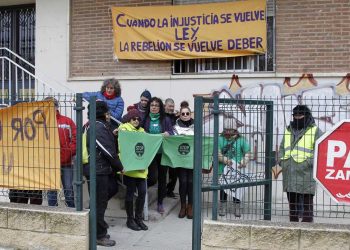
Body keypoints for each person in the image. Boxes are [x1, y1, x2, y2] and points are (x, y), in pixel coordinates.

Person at [84, 101, 124, 247]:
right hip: (97, 170)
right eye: (107, 113)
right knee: (100, 203)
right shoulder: (97, 127)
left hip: (100, 169)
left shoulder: (97, 126)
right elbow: (107, 150)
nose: (109, 116)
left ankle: (93, 217)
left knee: (110, 190)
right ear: (102, 114)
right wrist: (120, 166)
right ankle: (99, 235)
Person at [278, 105, 322, 223]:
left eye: (300, 115)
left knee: (307, 203)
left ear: (307, 116)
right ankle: (293, 226)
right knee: (292, 202)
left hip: (306, 172)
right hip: (290, 170)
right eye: (295, 115)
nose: (297, 118)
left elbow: (320, 149)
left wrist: (307, 163)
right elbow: (282, 147)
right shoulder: (288, 129)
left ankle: (307, 227)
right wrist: (282, 161)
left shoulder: (315, 131)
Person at [118, 109, 148, 231]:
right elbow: (126, 139)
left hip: (141, 169)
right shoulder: (124, 128)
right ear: (129, 119)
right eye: (133, 118)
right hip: (129, 168)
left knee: (142, 193)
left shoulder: (142, 131)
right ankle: (130, 219)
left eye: (138, 119)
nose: (136, 121)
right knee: (130, 194)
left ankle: (138, 219)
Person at [143, 97, 174, 214]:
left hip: (162, 152)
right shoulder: (145, 119)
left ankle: (160, 202)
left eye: (156, 105)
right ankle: (142, 195)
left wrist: (168, 133)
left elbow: (171, 132)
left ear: (160, 107)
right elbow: (139, 130)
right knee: (151, 178)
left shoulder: (165, 119)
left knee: (162, 179)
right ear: (149, 107)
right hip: (149, 153)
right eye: (152, 105)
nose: (154, 107)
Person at [45, 97, 76, 208]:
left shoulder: (67, 121)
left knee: (68, 188)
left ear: (56, 107)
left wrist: (69, 152)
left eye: (50, 106)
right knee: (51, 190)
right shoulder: (41, 122)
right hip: (50, 163)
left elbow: (75, 138)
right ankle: (52, 212)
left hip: (66, 162)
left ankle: (72, 211)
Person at [218, 119, 251, 218]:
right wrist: (225, 160)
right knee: (223, 189)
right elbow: (217, 153)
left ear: (235, 129)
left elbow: (247, 152)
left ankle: (237, 208)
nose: (228, 132)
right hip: (223, 168)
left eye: (230, 129)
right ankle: (222, 207)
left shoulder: (241, 140)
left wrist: (243, 162)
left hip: (237, 169)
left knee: (237, 189)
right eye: (226, 129)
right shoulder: (220, 139)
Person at [173, 105, 194, 219]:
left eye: (187, 113)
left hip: (192, 160)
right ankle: (182, 206)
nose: (185, 115)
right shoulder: (175, 127)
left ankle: (190, 206)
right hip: (180, 159)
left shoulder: (197, 126)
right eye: (183, 114)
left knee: (191, 182)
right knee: (183, 181)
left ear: (190, 114)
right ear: (180, 115)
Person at [164, 98, 178, 198]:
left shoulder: (175, 117)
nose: (171, 108)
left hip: (173, 146)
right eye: (170, 106)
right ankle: (163, 190)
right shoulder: (161, 116)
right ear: (165, 106)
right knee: (164, 170)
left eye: (173, 106)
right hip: (164, 146)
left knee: (174, 170)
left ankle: (170, 190)